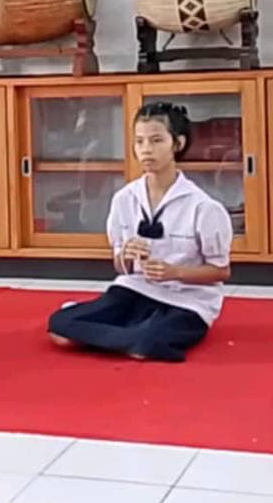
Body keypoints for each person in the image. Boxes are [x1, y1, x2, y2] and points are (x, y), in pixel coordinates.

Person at [48, 102, 232, 362]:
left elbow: (221, 271)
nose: (146, 149)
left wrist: (175, 272)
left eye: (156, 140)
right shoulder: (124, 199)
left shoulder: (203, 207)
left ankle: (124, 336)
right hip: (136, 289)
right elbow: (121, 267)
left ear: (177, 144)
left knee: (146, 344)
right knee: (60, 325)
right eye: (139, 141)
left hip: (186, 299)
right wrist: (125, 255)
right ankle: (129, 336)